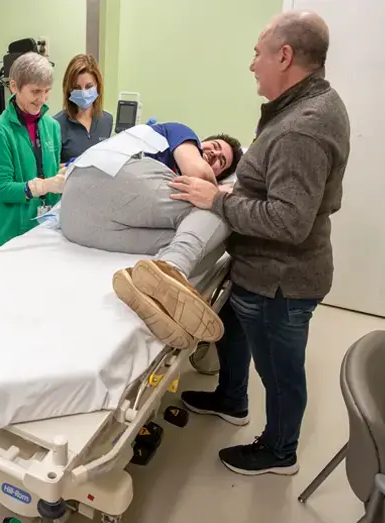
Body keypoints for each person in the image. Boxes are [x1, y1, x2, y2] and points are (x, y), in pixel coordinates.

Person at [167, 11, 350, 476]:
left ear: (284, 56)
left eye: (257, 53)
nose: (252, 64)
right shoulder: (299, 107)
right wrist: (235, 193)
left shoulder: (301, 128)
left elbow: (290, 222)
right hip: (255, 271)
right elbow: (279, 190)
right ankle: (231, 398)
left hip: (280, 282)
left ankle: (279, 450)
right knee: (234, 332)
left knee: (280, 372)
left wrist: (218, 201)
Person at [59, 124, 243, 348]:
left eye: (220, 162)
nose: (213, 154)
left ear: (220, 174)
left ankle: (155, 298)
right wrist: (218, 191)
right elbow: (198, 172)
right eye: (213, 147)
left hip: (76, 223)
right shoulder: (180, 132)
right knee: (224, 210)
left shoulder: (166, 208)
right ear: (198, 141)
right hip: (106, 175)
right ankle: (171, 268)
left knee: (210, 241)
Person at [0, 52, 66, 249]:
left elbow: (50, 169)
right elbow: (1, 189)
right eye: (35, 91)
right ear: (14, 86)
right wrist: (41, 187)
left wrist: (62, 175)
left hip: (48, 228)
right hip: (14, 232)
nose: (42, 99)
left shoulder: (52, 126)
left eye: (47, 91)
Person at [53, 54, 113, 164]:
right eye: (77, 88)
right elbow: (49, 170)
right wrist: (71, 166)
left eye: (89, 86)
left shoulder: (107, 120)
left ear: (98, 86)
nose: (84, 93)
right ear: (68, 89)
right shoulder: (56, 125)